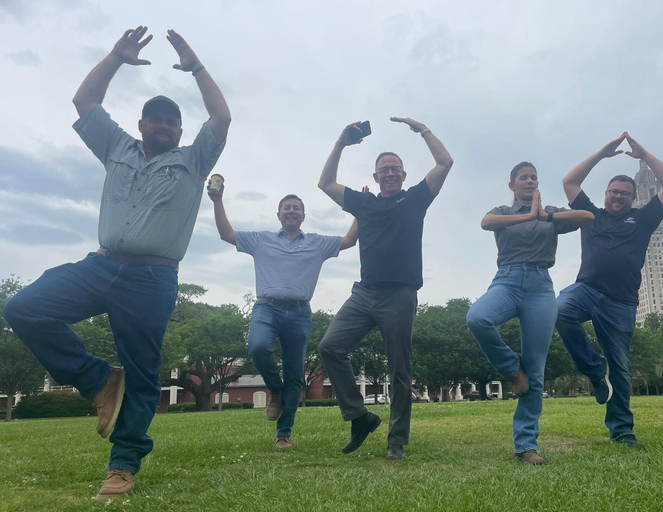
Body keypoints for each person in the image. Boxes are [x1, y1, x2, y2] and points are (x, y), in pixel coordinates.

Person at [2, 26, 231, 499]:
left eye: (172, 121)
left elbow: (222, 117)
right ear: (142, 124)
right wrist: (114, 57)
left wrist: (197, 68)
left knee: (143, 372)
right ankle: (98, 379)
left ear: (182, 131)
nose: (164, 125)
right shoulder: (117, 147)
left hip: (152, 277)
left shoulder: (193, 161)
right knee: (23, 308)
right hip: (101, 265)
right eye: (155, 119)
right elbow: (84, 102)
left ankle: (123, 464)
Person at [317, 117, 453, 460]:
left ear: (404, 176)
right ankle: (360, 417)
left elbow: (445, 162)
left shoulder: (415, 199)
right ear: (376, 177)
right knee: (330, 347)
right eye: (384, 169)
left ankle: (397, 440)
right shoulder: (363, 204)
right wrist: (340, 143)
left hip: (400, 294)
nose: (390, 173)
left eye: (396, 169)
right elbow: (325, 183)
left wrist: (422, 129)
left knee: (399, 369)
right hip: (364, 293)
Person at [207, 183, 359, 450]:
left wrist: (360, 208)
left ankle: (283, 434)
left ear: (303, 215)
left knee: (295, 375)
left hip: (300, 311)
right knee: (257, 346)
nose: (291, 211)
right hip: (267, 307)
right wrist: (217, 200)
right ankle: (274, 388)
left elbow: (349, 241)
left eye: (296, 208)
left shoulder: (317, 243)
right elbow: (226, 234)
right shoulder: (261, 239)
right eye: (287, 208)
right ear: (278, 215)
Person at [555, 132, 663, 448]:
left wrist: (644, 154)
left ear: (633, 197)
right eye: (613, 191)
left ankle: (622, 430)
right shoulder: (590, 214)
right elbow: (569, 182)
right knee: (558, 310)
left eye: (625, 193)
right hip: (586, 289)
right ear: (606, 193)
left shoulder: (643, 219)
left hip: (621, 302)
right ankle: (595, 371)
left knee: (621, 366)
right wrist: (601, 153)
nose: (618, 196)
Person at [465, 162, 593, 465]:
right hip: (507, 281)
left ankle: (526, 446)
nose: (530, 181)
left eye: (534, 177)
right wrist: (527, 215)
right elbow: (485, 222)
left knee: (536, 369)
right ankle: (512, 369)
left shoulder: (550, 213)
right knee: (477, 318)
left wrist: (545, 216)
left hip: (540, 286)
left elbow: (588, 218)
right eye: (523, 177)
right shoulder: (505, 212)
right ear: (512, 185)